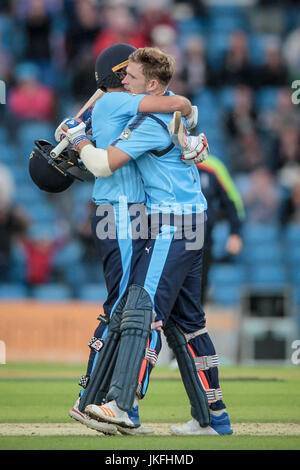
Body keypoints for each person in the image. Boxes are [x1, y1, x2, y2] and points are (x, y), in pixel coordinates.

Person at [59, 47, 233, 436]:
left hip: (172, 222)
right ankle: (212, 417)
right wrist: (189, 118)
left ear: (152, 85)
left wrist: (78, 139)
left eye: (132, 78)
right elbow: (185, 111)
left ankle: (122, 404)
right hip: (193, 221)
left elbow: (104, 165)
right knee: (189, 324)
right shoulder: (166, 111)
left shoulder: (151, 122)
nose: (123, 82)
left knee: (141, 307)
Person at [196, 155, 245, 304]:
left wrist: (235, 233)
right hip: (169, 240)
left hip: (203, 243)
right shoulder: (166, 161)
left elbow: (232, 201)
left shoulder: (213, 166)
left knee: (199, 290)